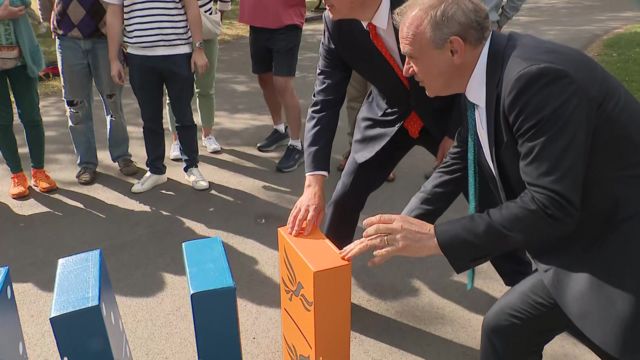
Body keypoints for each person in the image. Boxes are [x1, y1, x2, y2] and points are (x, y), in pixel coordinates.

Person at [341, 0, 640, 358]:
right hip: (577, 243)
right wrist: (406, 223)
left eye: (412, 56)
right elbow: (461, 158)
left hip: (617, 252)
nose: (406, 70)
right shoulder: (485, 70)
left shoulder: (534, 79)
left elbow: (549, 206)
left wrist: (436, 238)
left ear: (454, 48)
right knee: (505, 328)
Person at [287, 0, 532, 286]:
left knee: (484, 198)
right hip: (389, 114)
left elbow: (470, 60)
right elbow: (325, 98)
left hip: (447, 111)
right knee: (344, 196)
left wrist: (457, 132)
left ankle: (528, 288)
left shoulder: (423, 6)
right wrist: (313, 182)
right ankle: (327, 287)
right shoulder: (336, 22)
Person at [104, 0, 210, 193]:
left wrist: (199, 48)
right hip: (139, 56)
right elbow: (114, 14)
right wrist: (113, 59)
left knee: (183, 114)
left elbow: (192, 7)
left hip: (178, 53)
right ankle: (156, 170)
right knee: (150, 117)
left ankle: (192, 167)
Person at [38, 0, 138, 186]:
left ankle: (122, 156)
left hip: (104, 36)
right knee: (75, 105)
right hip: (67, 38)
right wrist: (48, 21)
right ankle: (86, 163)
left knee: (113, 100)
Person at [239, 0, 305, 172]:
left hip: (287, 22)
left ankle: (296, 145)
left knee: (282, 84)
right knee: (264, 78)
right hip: (258, 21)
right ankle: (279, 129)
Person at [0, 0, 57, 199]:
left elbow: (22, 3)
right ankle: (17, 175)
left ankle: (39, 171)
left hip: (22, 59)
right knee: (2, 120)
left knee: (31, 115)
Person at [168, 0, 232, 160]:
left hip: (205, 31)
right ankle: (176, 140)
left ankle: (207, 135)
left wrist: (216, 19)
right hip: (176, 32)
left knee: (205, 87)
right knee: (174, 92)